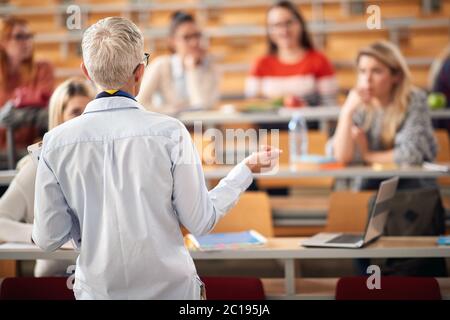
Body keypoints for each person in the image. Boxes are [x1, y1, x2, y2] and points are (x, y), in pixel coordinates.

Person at [32, 17, 280, 300]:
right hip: (171, 290)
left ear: (86, 72)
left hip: (98, 292)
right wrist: (245, 170)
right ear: (140, 72)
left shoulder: (55, 143)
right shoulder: (170, 132)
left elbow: (48, 238)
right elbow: (200, 221)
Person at [0, 77, 94, 276]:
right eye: (76, 112)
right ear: (58, 118)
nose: (83, 119)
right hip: (54, 278)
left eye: (88, 111)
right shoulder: (37, 166)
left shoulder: (103, 163)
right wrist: (40, 234)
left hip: (100, 280)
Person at [327, 40, 437, 189]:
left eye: (376, 71)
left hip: (410, 188)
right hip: (369, 186)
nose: (367, 79)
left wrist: (367, 156)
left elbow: (410, 154)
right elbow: (341, 157)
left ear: (396, 76)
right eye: (362, 71)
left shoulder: (415, 100)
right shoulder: (358, 105)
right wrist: (346, 112)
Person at [245, 0, 338, 107]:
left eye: (289, 23)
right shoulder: (260, 63)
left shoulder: (319, 60)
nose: (284, 30)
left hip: (310, 123)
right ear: (269, 30)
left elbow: (329, 104)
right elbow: (251, 104)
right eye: (277, 25)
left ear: (300, 24)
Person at [137, 11, 219, 115]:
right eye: (187, 37)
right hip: (165, 126)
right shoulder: (161, 65)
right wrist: (169, 111)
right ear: (172, 41)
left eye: (197, 35)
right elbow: (139, 103)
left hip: (197, 128)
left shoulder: (210, 67)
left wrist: (192, 71)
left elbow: (202, 108)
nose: (194, 42)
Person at [0, 16, 54, 150]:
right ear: (2, 41)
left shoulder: (43, 68)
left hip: (29, 148)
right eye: (19, 37)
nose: (27, 42)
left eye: (29, 36)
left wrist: (18, 114)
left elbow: (45, 108)